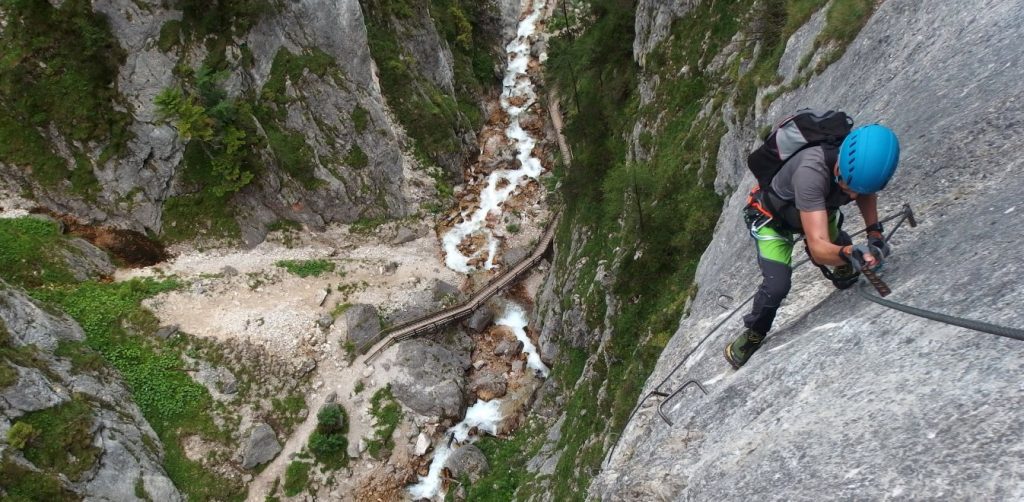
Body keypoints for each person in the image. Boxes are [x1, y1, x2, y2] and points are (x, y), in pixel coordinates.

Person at [725, 124, 900, 369]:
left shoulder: (857, 168)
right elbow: (819, 249)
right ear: (839, 166)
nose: (851, 196)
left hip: (818, 207)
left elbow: (864, 192)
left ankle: (842, 269)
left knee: (836, 242)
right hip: (773, 220)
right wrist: (849, 254)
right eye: (848, 187)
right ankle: (754, 333)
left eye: (856, 190)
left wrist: (875, 233)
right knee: (777, 286)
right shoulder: (812, 172)